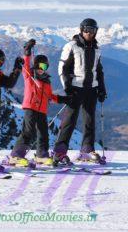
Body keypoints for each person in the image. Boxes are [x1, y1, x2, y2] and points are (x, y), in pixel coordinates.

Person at [53, 18, 107, 165]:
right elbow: (62, 68)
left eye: (93, 30)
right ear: (81, 29)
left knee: (90, 121)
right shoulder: (71, 46)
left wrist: (102, 88)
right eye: (87, 29)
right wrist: (67, 88)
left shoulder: (97, 49)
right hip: (75, 89)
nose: (90, 33)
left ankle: (87, 150)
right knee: (69, 121)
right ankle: (59, 152)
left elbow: (99, 70)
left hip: (92, 90)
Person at [10, 39, 71, 167]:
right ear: (36, 65)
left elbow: (50, 96)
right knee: (28, 131)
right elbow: (25, 65)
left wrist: (64, 99)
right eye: (40, 66)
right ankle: (16, 156)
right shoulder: (29, 77)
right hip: (31, 108)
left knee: (43, 133)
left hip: (42, 110)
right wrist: (27, 51)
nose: (42, 69)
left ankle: (41, 155)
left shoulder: (46, 82)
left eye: (45, 67)